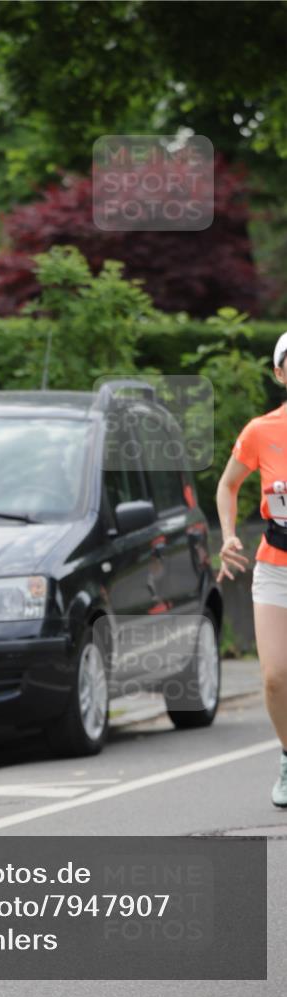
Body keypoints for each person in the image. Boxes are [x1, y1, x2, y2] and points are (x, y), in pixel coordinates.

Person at [216, 331, 287, 808]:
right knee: (275, 675)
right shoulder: (261, 431)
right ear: (280, 373)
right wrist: (227, 536)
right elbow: (227, 486)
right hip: (275, 565)